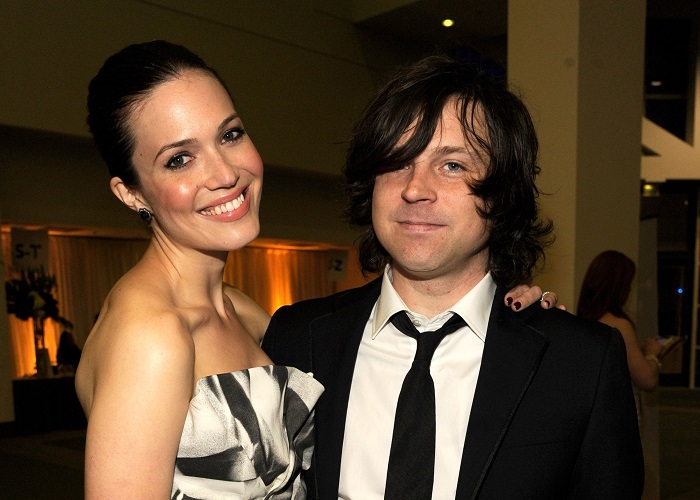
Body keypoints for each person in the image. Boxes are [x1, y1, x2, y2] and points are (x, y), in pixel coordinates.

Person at [74, 41, 551, 499]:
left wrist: (509, 320)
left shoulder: (242, 311)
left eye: (230, 135)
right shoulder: (151, 336)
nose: (224, 174)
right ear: (130, 193)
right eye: (179, 159)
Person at [262, 55, 644, 498]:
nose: (414, 188)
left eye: (452, 166)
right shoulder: (296, 339)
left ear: (502, 194)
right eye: (397, 162)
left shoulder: (581, 363)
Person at [578, 250, 664, 391]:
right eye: (628, 283)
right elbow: (647, 380)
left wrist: (637, 348)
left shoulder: (583, 321)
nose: (629, 289)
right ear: (618, 286)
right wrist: (652, 354)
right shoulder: (619, 326)